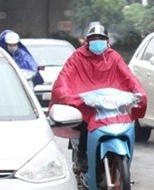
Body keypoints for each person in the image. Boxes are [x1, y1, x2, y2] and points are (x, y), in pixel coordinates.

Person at [51, 23, 147, 170]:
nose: (97, 41)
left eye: (100, 38)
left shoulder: (113, 57)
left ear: (107, 40)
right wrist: (68, 96)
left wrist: (138, 92)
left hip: (110, 105)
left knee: (125, 122)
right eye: (93, 38)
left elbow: (128, 77)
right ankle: (83, 156)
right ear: (87, 40)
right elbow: (64, 78)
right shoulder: (77, 57)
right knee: (84, 123)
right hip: (88, 105)